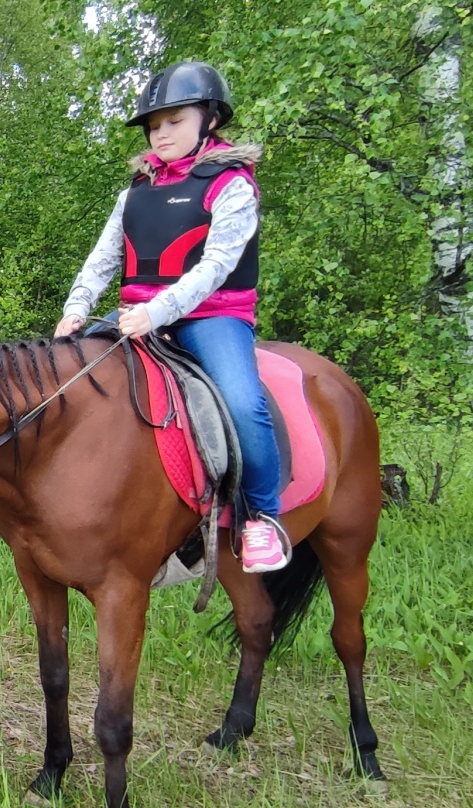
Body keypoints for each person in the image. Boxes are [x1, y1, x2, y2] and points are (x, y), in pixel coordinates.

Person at [53, 61, 291, 572]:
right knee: (66, 378)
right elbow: (104, 258)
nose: (160, 133)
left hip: (212, 315)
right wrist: (77, 309)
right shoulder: (136, 191)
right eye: (153, 125)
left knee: (243, 402)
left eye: (174, 121)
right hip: (138, 313)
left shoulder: (232, 184)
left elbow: (217, 265)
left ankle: (262, 520)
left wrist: (157, 311)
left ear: (208, 119)